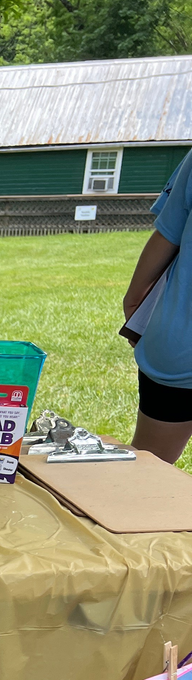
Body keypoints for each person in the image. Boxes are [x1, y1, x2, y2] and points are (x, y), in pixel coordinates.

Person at [123, 150, 192, 463]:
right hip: (177, 347)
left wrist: (134, 300)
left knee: (147, 473)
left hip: (179, 341)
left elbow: (168, 232)